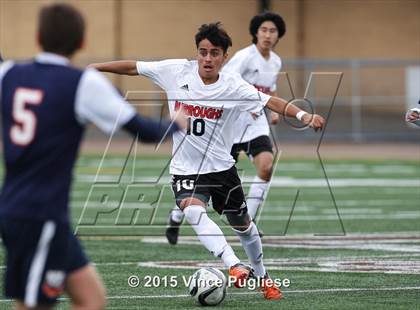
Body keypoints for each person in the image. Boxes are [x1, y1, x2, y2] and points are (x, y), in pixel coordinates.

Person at [89, 22, 324, 300]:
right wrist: (95, 68)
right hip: (185, 169)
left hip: (222, 170)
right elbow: (134, 67)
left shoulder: (234, 85)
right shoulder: (176, 71)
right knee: (192, 210)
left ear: (225, 56)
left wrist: (303, 116)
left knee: (245, 226)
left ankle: (263, 277)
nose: (207, 59)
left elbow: (270, 101)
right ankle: (234, 265)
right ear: (197, 53)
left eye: (214, 53)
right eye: (203, 52)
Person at [0, 4, 184, 310]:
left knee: (91, 299)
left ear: (37, 37)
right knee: (33, 305)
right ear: (82, 42)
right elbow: (146, 131)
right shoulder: (81, 83)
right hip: (38, 215)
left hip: (31, 211)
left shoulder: (9, 74)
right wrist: (177, 122)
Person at [166, 11, 286, 243]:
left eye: (272, 31)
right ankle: (176, 214)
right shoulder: (244, 57)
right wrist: (245, 101)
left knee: (266, 167)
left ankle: (250, 219)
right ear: (255, 33)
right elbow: (224, 82)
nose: (268, 35)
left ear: (279, 35)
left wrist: (270, 110)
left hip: (255, 125)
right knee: (203, 175)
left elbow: (269, 89)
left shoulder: (276, 61)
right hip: (226, 127)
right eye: (264, 30)